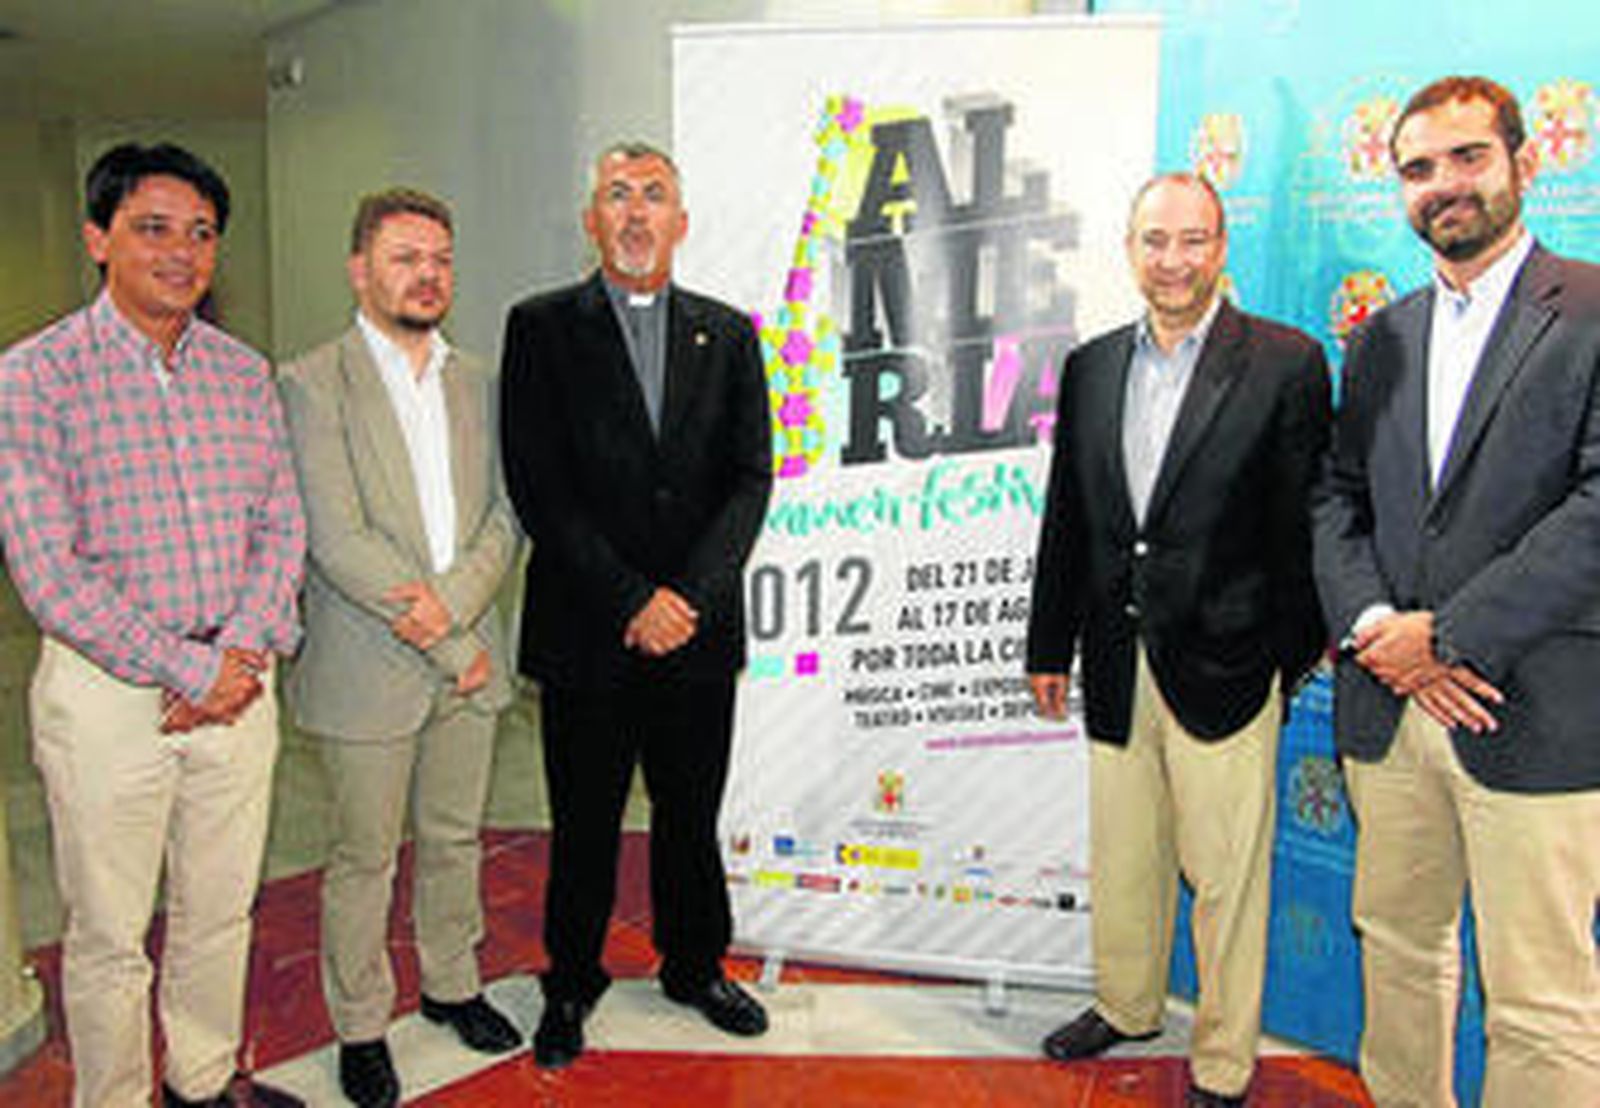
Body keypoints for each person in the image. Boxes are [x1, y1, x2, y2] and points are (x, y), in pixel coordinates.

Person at [1313, 75, 1600, 1106]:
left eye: (1469, 156)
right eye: (1419, 168)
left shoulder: (1591, 309)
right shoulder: (1380, 338)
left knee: (1539, 1000)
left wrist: (1450, 636)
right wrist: (1378, 628)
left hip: (1533, 708)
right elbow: (1335, 499)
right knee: (1397, 952)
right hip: (1391, 708)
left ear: (1527, 160)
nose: (1444, 184)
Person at [0, 143, 305, 1107]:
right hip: (108, 696)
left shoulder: (243, 373)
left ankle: (201, 1080)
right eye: (153, 228)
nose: (182, 252)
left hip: (239, 682)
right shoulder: (32, 378)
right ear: (98, 238)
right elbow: (49, 571)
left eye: (202, 233)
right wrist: (185, 667)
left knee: (219, 909)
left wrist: (235, 655)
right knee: (108, 934)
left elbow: (281, 524)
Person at [1026, 172, 1331, 1107]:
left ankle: (1223, 1062)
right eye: (1155, 241)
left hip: (1229, 665)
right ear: (1130, 250)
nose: (1173, 261)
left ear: (1221, 247)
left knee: (1228, 876)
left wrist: (1283, 655)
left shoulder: (1285, 362)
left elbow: (1307, 525)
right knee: (1126, 856)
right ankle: (1126, 1004)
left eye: (1193, 240)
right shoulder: (1091, 366)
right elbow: (1070, 514)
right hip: (1117, 656)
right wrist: (1048, 644)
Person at [499, 141, 773, 1068]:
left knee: (690, 818)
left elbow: (750, 479)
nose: (635, 211)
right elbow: (538, 485)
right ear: (592, 219)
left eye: (653, 195)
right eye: (618, 194)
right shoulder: (540, 328)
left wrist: (686, 597)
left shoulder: (728, 334)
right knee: (584, 824)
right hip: (588, 629)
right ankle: (571, 981)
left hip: (698, 632)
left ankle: (696, 967)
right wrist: (630, 599)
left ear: (680, 222)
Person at [278, 188, 521, 1107]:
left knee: (455, 838)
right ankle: (361, 1026)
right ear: (359, 270)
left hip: (469, 653)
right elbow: (336, 539)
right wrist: (450, 641)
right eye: (405, 257)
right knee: (364, 858)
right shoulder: (311, 382)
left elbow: (508, 516)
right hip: (368, 668)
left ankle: (453, 984)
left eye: (441, 260)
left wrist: (455, 618)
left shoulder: (480, 381)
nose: (428, 275)